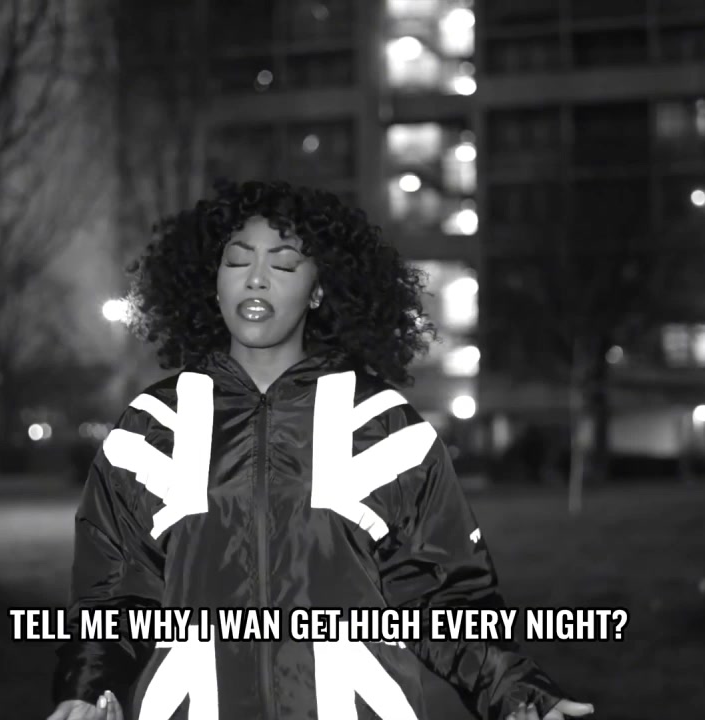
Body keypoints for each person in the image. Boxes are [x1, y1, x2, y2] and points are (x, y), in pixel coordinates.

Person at [47, 180, 593, 720]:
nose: (256, 278)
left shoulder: (383, 425)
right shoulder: (152, 427)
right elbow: (111, 596)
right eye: (237, 261)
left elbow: (446, 598)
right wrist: (87, 690)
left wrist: (518, 694)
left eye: (284, 265)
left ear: (318, 290)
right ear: (212, 282)